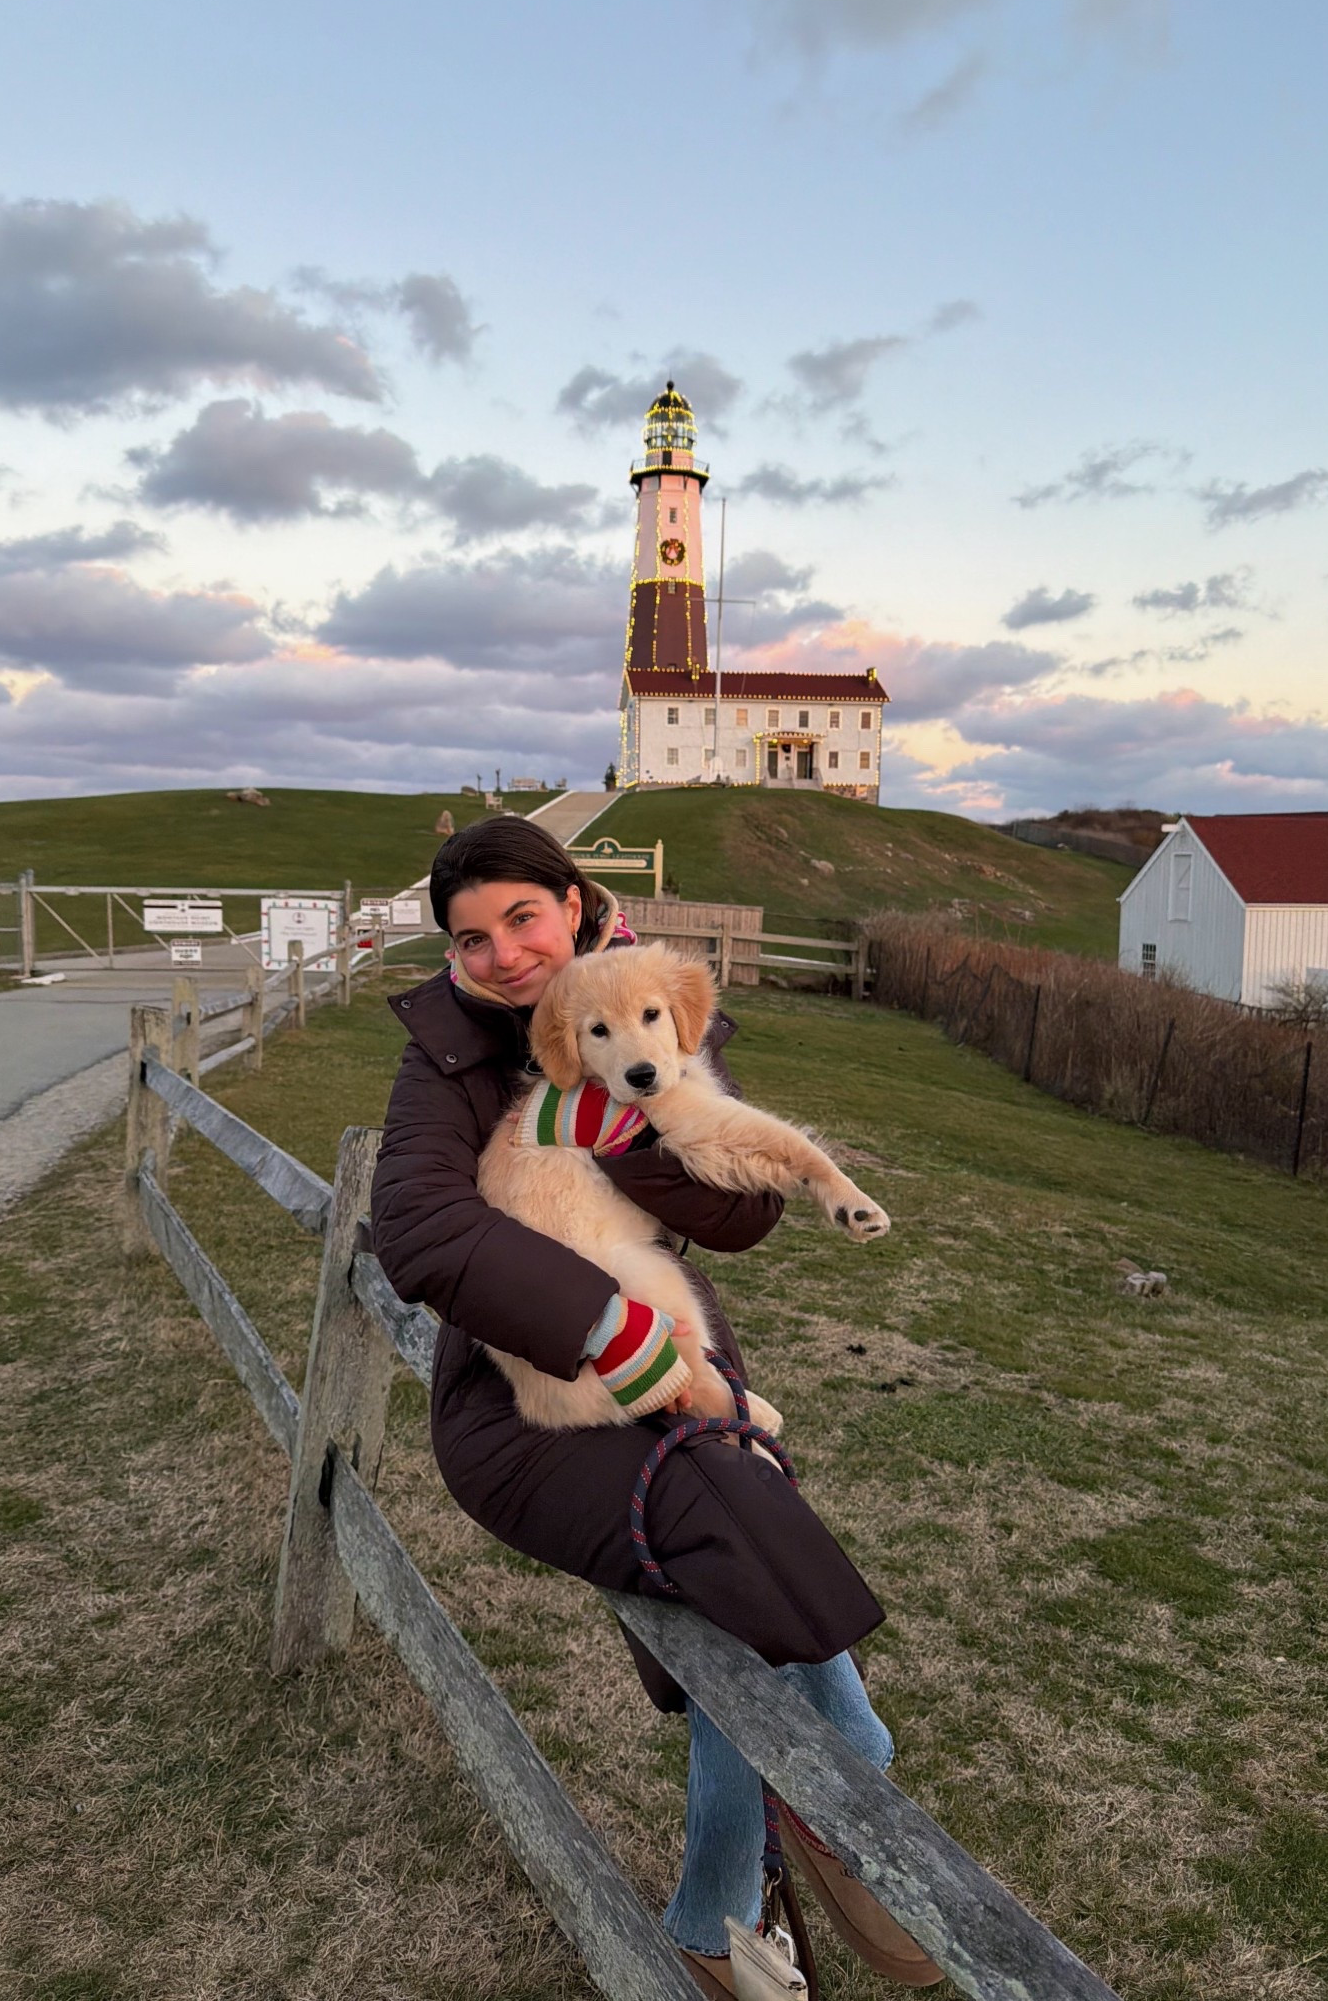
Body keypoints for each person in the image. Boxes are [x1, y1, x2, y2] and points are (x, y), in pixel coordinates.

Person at [371, 818, 942, 1995]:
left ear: (574, 903)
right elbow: (422, 1230)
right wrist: (621, 1335)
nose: (501, 951)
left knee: (734, 1573)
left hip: (670, 1367)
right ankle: (849, 1780)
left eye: (521, 917)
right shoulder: (440, 1057)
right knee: (729, 1511)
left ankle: (712, 1915)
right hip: (518, 1407)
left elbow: (743, 1215)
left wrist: (636, 1138)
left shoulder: (650, 1007)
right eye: (470, 938)